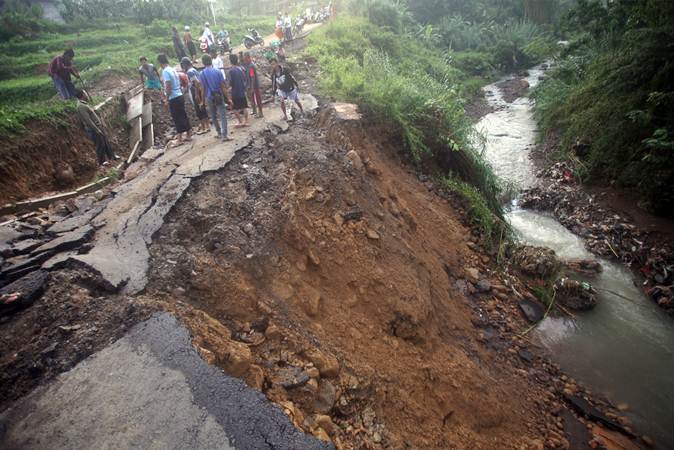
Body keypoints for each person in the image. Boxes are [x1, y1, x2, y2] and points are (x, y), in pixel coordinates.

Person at [75, 89, 119, 166]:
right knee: (100, 144)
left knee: (105, 142)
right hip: (93, 129)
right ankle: (102, 161)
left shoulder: (84, 104)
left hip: (98, 126)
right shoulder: (81, 106)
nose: (87, 95)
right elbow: (87, 120)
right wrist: (96, 129)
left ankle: (112, 156)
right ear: (82, 95)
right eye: (85, 93)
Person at [158, 53, 191, 147]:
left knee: (177, 118)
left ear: (160, 62)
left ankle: (179, 139)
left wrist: (166, 98)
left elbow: (168, 85)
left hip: (173, 97)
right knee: (183, 115)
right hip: (179, 94)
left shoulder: (165, 71)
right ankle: (188, 134)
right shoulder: (173, 69)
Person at [199, 54, 232, 141]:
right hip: (218, 96)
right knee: (222, 115)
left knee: (213, 116)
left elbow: (203, 89)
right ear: (211, 61)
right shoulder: (217, 72)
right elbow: (223, 87)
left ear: (203, 63)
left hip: (209, 97)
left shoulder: (202, 74)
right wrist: (228, 98)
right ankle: (224, 135)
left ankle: (219, 132)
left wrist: (202, 101)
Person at [181, 57, 210, 134]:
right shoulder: (194, 70)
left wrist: (196, 94)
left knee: (198, 110)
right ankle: (207, 126)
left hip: (195, 91)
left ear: (185, 64)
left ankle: (204, 127)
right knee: (202, 107)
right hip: (199, 91)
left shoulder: (190, 72)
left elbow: (196, 82)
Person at [227, 54, 249, 128]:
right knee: (244, 107)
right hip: (242, 91)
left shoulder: (231, 71)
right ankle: (246, 121)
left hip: (235, 92)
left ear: (230, 61)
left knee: (234, 108)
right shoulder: (241, 69)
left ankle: (240, 121)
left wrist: (229, 93)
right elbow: (245, 80)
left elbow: (230, 84)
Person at [243, 52, 263, 118]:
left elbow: (252, 77)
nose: (245, 61)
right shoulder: (247, 65)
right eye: (244, 59)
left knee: (258, 99)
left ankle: (260, 112)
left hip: (254, 86)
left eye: (246, 59)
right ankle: (255, 111)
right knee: (252, 99)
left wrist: (252, 87)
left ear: (249, 58)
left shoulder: (251, 66)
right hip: (249, 85)